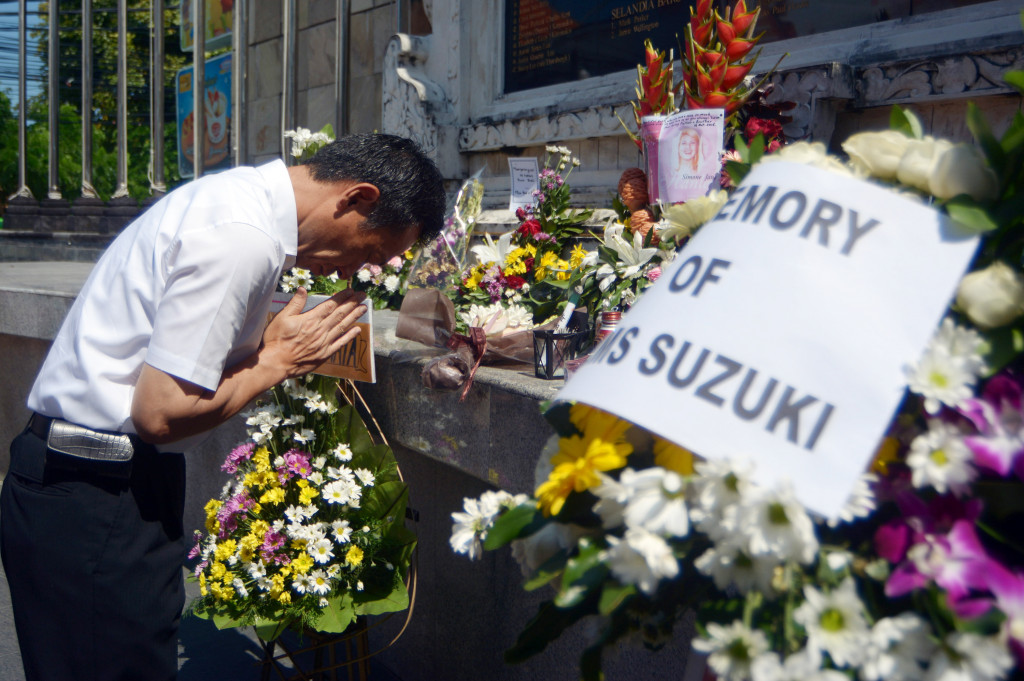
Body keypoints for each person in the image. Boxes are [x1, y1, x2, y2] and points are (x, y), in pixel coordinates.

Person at [0, 132, 445, 681]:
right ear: (357, 198)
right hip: (96, 498)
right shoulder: (243, 236)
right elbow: (160, 413)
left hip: (88, 484)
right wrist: (276, 362)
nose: (352, 272)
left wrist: (265, 350)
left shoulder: (235, 199)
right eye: (371, 251)